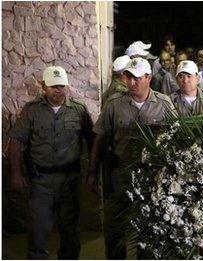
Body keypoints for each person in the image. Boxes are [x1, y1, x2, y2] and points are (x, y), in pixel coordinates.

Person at [88, 57, 176, 259]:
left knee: (149, 230)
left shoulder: (164, 104)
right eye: (128, 77)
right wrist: (92, 170)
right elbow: (100, 138)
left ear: (148, 77)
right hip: (121, 174)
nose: (132, 82)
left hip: (151, 176)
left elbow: (175, 138)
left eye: (137, 78)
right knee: (115, 228)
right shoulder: (114, 104)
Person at [8, 66, 93, 259]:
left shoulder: (79, 110)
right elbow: (16, 139)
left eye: (62, 86)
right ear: (44, 86)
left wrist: (93, 170)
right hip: (40, 182)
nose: (58, 90)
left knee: (70, 231)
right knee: (38, 232)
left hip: (70, 180)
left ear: (67, 86)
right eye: (54, 86)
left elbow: (93, 138)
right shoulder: (32, 111)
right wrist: (15, 173)